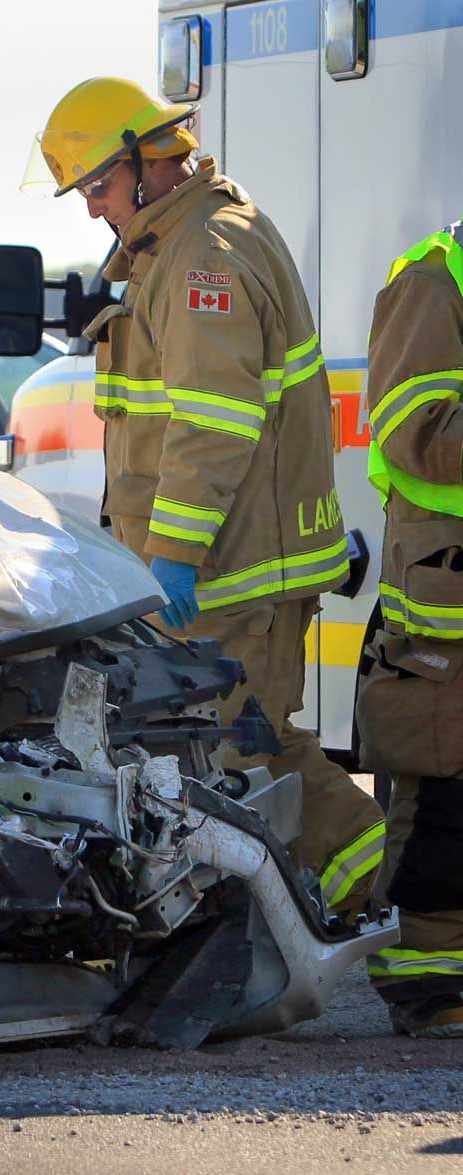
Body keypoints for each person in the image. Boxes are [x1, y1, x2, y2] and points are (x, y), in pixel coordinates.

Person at [30, 77, 383, 916]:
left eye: (98, 187)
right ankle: (340, 914)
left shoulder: (203, 257)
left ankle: (405, 900)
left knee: (251, 756)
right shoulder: (191, 240)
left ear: (146, 163)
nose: (91, 211)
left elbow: (213, 424)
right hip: (236, 568)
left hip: (235, 574)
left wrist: (175, 557)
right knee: (234, 754)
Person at [356, 220, 463, 1036]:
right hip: (445, 596)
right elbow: (418, 436)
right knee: (441, 788)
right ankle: (430, 986)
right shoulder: (431, 284)